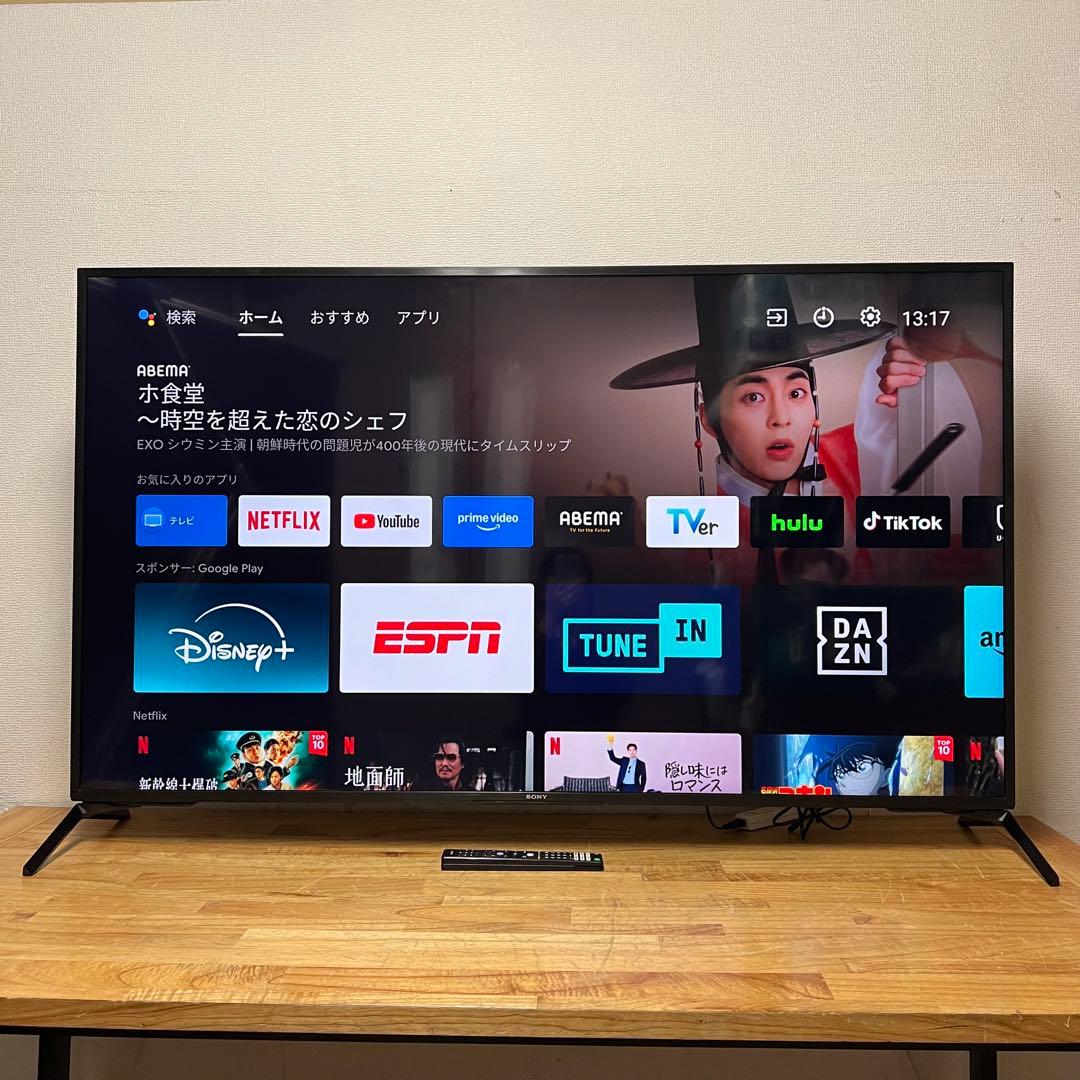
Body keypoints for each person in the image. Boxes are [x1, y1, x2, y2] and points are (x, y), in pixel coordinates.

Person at [609, 274, 983, 584]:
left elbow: (955, 555)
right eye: (753, 397)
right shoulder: (692, 539)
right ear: (709, 420)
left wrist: (929, 376)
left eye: (796, 392)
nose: (781, 417)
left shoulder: (869, 449)